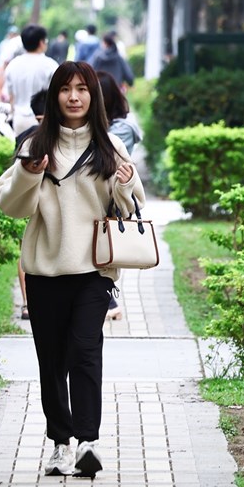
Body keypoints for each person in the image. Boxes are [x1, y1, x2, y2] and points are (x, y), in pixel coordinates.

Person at [0, 61, 145, 479]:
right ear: (55, 95)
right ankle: (59, 444)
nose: (74, 96)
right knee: (52, 361)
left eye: (82, 88)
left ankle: (87, 443)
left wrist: (125, 182)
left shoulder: (109, 144)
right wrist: (29, 173)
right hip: (44, 272)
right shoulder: (35, 144)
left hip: (94, 271)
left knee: (85, 351)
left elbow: (132, 205)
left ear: (93, 96)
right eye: (66, 89)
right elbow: (9, 204)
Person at [97, 71, 143, 322]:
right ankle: (109, 299)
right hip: (103, 200)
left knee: (108, 253)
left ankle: (110, 300)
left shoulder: (120, 130)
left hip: (114, 199)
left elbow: (108, 165)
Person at [14, 88, 48, 321]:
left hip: (26, 201)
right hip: (44, 203)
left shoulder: (24, 136)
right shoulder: (58, 136)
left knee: (24, 250)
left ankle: (27, 304)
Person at [2, 24, 59, 137]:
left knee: (21, 151)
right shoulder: (50, 65)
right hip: (41, 119)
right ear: (41, 42)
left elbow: (11, 96)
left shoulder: (13, 64)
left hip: (19, 119)